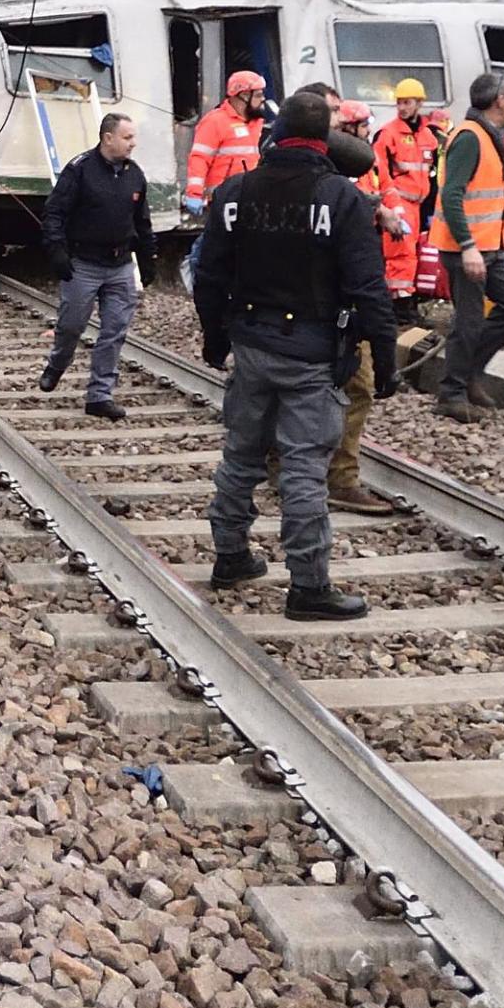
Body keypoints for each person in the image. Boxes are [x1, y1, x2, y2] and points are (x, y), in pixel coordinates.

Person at [193, 87, 393, 618]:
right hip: (312, 351)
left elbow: (209, 275)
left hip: (251, 342)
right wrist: (387, 360)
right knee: (305, 468)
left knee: (240, 456)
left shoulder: (234, 193)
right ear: (325, 138)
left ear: (277, 135)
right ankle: (308, 587)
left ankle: (231, 556)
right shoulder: (342, 199)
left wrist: (216, 338)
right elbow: (370, 288)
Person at [316, 94, 406, 517]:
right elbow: (367, 284)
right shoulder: (337, 184)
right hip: (335, 308)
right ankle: (340, 480)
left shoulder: (288, 174)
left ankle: (282, 467)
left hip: (288, 311)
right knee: (357, 387)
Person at [40, 112, 155, 420]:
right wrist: (57, 252)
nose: (133, 144)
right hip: (83, 264)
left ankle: (100, 395)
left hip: (120, 267)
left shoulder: (135, 175)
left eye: (133, 137)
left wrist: (147, 259)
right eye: (127, 137)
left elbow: (142, 221)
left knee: (114, 329)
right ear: (108, 138)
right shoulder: (80, 171)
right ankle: (56, 365)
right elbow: (54, 213)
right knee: (71, 326)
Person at [429, 74, 504, 422]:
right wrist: (468, 247)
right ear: (500, 99)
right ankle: (451, 393)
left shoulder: (487, 135)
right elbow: (451, 194)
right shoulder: (470, 137)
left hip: (491, 245)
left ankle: (469, 373)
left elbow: (483, 185)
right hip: (466, 246)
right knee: (468, 322)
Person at [180, 69, 266, 280]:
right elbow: (199, 158)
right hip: (219, 199)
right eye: (258, 95)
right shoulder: (215, 122)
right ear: (243, 96)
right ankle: (196, 273)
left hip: (247, 198)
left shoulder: (255, 123)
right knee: (213, 244)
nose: (263, 99)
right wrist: (194, 193)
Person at [370, 80, 445, 298]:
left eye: (407, 102)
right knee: (400, 255)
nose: (402, 107)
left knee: (412, 254)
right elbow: (379, 173)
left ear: (419, 103)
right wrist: (391, 207)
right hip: (397, 202)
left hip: (419, 205)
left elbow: (433, 174)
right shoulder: (388, 134)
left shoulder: (428, 137)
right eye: (399, 103)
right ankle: (399, 304)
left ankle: (407, 298)